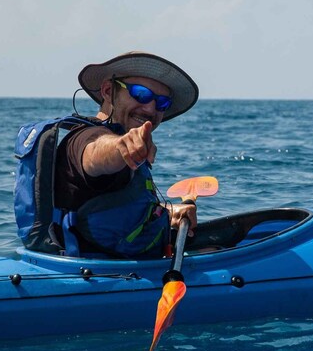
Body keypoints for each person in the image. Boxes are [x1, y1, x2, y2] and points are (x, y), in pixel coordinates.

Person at [27, 51, 199, 258]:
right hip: (99, 278)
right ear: (108, 91)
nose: (150, 109)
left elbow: (114, 208)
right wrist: (121, 146)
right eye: (141, 94)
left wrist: (169, 212)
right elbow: (97, 154)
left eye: (162, 103)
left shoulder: (121, 141)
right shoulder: (85, 139)